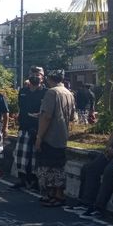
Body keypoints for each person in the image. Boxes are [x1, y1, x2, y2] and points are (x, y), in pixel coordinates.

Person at [75, 75, 113, 216]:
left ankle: (99, 207)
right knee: (90, 168)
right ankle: (86, 202)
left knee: (109, 172)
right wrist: (108, 147)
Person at [34, 70, 76, 207]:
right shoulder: (69, 93)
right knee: (59, 166)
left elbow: (46, 117)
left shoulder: (51, 92)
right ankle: (57, 194)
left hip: (50, 136)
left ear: (49, 79)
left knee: (48, 167)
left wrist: (39, 137)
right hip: (62, 135)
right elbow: (72, 117)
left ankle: (54, 195)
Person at [12, 74, 45, 190]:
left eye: (38, 74)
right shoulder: (23, 91)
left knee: (35, 157)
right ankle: (22, 179)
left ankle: (35, 181)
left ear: (42, 78)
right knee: (20, 156)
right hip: (24, 127)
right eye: (32, 73)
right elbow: (21, 108)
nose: (35, 76)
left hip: (38, 128)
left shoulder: (46, 92)